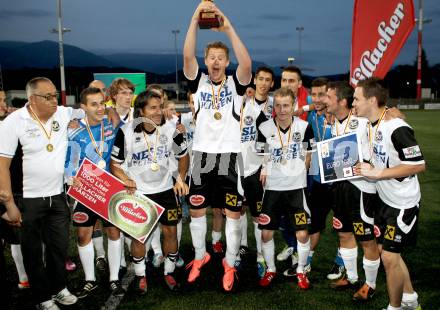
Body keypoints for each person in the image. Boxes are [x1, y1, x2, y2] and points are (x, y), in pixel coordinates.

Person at [183, 0, 252, 292]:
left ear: (225, 62)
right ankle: (201, 256)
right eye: (210, 57)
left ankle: (231, 263)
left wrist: (229, 28)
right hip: (201, 156)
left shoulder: (237, 84)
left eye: (220, 58)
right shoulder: (197, 81)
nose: (214, 62)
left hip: (228, 156)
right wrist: (194, 21)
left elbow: (247, 64)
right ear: (206, 59)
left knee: (233, 214)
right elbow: (187, 54)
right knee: (198, 211)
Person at [0, 77, 84, 309]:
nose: (53, 100)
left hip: (57, 196)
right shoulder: (14, 121)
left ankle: (58, 288)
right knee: (33, 252)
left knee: (58, 247)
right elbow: (2, 165)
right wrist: (9, 204)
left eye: (55, 95)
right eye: (47, 96)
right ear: (32, 99)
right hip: (27, 199)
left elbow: (92, 112)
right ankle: (42, 297)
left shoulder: (63, 113)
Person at [353, 77, 424, 310]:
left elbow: (417, 165)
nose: (353, 102)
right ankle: (411, 300)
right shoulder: (368, 124)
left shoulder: (396, 127)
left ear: (372, 100)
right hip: (385, 200)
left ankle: (395, 307)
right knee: (389, 253)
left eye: (357, 98)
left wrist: (379, 173)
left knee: (390, 257)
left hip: (403, 203)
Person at [111, 90, 189, 293]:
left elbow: (183, 156)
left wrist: (180, 178)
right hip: (140, 192)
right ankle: (140, 275)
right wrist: (126, 179)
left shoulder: (170, 129)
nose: (158, 112)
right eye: (153, 108)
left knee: (171, 232)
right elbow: (115, 164)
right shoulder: (127, 131)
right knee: (139, 236)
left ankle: (169, 272)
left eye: (160, 107)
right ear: (141, 111)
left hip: (165, 190)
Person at [324, 81, 381, 302]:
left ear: (342, 101)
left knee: (366, 237)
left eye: (329, 97)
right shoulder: (334, 123)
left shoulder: (364, 122)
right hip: (340, 186)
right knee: (344, 232)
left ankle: (371, 284)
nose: (324, 101)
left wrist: (393, 113)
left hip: (361, 189)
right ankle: (352, 276)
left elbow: (384, 116)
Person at [65, 87, 124, 298]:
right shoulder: (73, 130)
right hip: (86, 190)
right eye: (94, 104)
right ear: (83, 108)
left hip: (108, 188)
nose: (100, 108)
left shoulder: (111, 126)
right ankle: (90, 280)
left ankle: (114, 279)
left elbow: (121, 115)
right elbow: (69, 160)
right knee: (83, 235)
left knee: (114, 233)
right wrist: (70, 177)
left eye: (102, 103)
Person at [256, 87, 314, 289]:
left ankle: (301, 271)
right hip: (272, 189)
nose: (281, 110)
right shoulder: (264, 128)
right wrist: (264, 169)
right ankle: (271, 269)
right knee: (266, 233)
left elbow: (309, 154)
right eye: (278, 106)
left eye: (286, 105)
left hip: (296, 189)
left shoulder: (304, 126)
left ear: (294, 106)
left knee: (302, 233)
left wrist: (299, 171)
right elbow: (261, 156)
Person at [238, 66, 274, 277]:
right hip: (237, 166)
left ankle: (260, 255)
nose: (262, 83)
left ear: (271, 84)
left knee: (258, 214)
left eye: (267, 80)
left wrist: (266, 165)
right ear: (254, 81)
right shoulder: (242, 104)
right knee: (237, 210)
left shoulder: (274, 109)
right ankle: (242, 246)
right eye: (260, 79)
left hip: (259, 169)